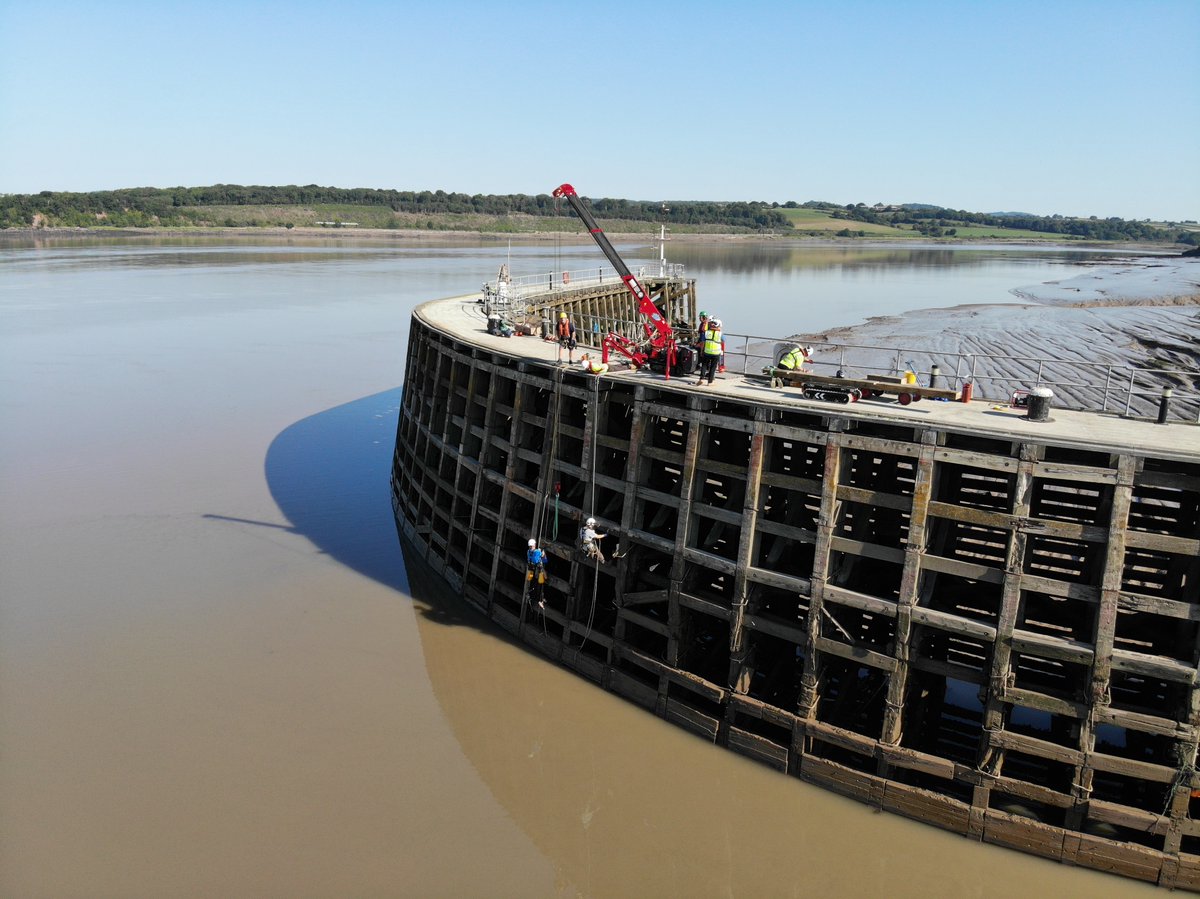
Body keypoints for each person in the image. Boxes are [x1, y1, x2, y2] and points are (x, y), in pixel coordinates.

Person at [696, 317, 723, 386]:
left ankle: (701, 379)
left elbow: (703, 342)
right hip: (716, 353)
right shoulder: (720, 334)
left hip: (707, 352)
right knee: (713, 367)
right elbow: (723, 340)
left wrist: (702, 351)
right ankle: (710, 382)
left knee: (704, 365)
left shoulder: (707, 332)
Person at [526, 537, 547, 606]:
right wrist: (542, 551)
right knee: (540, 583)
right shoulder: (537, 551)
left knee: (532, 582)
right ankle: (539, 599)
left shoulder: (528, 552)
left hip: (531, 570)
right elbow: (543, 559)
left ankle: (530, 595)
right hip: (537, 570)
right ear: (534, 544)